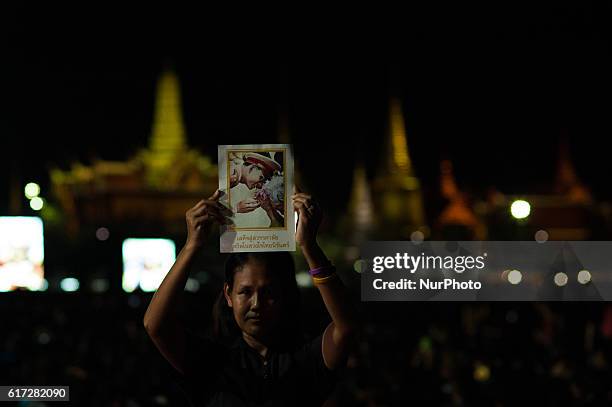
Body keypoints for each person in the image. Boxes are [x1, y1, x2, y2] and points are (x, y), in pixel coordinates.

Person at [143, 188, 358, 406]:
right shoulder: (212, 362)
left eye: (268, 293)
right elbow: (155, 326)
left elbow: (346, 327)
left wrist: (309, 246)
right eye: (245, 292)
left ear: (284, 294)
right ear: (228, 294)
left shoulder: (306, 360)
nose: (256, 304)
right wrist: (192, 246)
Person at [228, 152, 285, 228]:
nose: (260, 186)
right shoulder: (231, 174)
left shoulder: (234, 177)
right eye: (261, 178)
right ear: (252, 167)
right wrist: (236, 208)